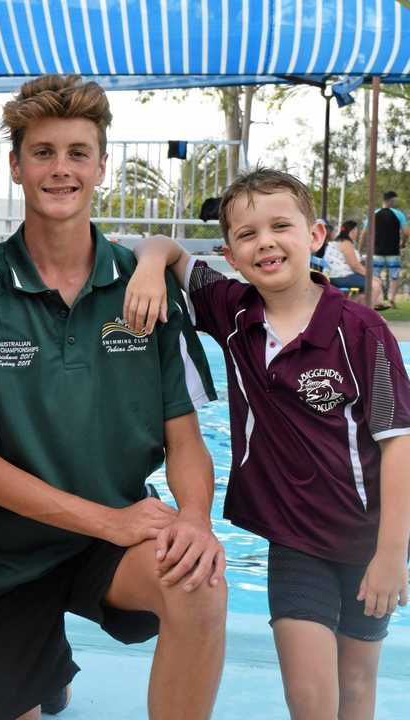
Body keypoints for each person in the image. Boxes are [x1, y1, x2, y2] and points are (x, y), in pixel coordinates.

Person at [0, 75, 225, 720]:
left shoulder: (144, 289)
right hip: (7, 556)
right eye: (42, 152)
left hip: (113, 550)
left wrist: (196, 521)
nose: (60, 169)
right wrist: (112, 520)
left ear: (101, 164)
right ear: (15, 166)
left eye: (77, 152)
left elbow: (185, 439)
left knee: (199, 581)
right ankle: (46, 668)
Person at [126, 169, 410, 720]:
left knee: (356, 688)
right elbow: (161, 245)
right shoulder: (234, 312)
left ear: (316, 235)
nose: (267, 242)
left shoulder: (362, 332)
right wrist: (149, 268)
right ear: (230, 254)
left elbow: (398, 446)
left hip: (366, 541)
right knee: (310, 697)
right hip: (295, 540)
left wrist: (392, 555)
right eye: (248, 234)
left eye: (282, 225)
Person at [361, 191, 408, 306]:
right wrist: (403, 243)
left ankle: (379, 299)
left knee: (376, 277)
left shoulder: (373, 213)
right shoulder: (398, 214)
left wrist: (360, 247)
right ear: (392, 200)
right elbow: (407, 232)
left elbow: (364, 233)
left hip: (376, 252)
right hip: (393, 252)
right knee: (394, 276)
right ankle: (392, 298)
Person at [325, 221, 386, 305]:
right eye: (357, 231)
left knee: (368, 288)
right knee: (375, 284)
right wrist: (371, 276)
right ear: (352, 231)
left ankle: (354, 309)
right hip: (340, 277)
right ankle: (367, 313)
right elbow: (355, 266)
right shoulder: (346, 243)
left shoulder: (339, 242)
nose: (357, 233)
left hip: (336, 275)